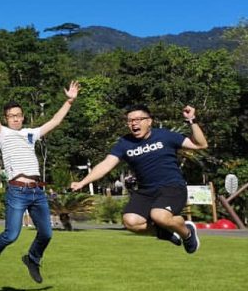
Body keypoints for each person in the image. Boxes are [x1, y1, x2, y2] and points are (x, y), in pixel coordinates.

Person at [0, 66, 80, 283]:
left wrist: (69, 101)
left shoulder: (31, 133)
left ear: (23, 116)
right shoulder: (2, 134)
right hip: (17, 191)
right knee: (11, 234)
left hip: (37, 191)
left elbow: (55, 121)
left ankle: (33, 259)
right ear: (6, 119)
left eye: (18, 116)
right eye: (11, 116)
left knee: (46, 233)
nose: (15, 119)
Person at [70, 104, 206, 253]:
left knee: (159, 215)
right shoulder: (124, 144)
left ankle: (187, 233)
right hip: (146, 191)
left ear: (149, 121)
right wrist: (83, 182)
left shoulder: (165, 136)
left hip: (172, 187)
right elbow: (106, 165)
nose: (134, 123)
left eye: (138, 119)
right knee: (131, 222)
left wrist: (191, 120)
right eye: (130, 121)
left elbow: (200, 144)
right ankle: (162, 232)